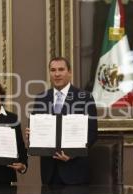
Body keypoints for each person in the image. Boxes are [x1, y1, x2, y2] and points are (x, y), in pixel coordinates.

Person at [27, 57, 98, 185]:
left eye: (61, 69)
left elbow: (92, 132)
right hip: (49, 172)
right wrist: (32, 134)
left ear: (69, 72)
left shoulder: (85, 97)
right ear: (49, 73)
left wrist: (71, 154)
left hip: (75, 170)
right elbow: (37, 130)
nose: (57, 74)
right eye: (53, 70)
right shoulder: (41, 98)